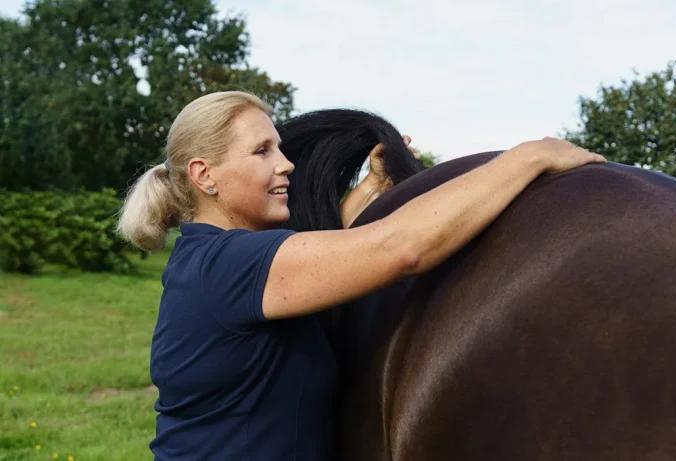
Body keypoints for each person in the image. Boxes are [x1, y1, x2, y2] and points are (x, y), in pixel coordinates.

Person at [116, 90, 605, 461]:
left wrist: (372, 187)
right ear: (204, 176)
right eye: (262, 151)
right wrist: (528, 157)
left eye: (280, 148)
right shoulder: (233, 266)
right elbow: (401, 246)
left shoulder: (212, 260)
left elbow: (329, 258)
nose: (287, 164)